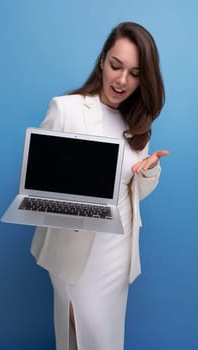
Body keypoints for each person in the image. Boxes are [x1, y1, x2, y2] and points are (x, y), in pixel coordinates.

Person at [31, 21, 169, 350]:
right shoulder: (65, 109)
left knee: (105, 339)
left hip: (116, 252)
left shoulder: (138, 123)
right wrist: (68, 212)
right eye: (116, 66)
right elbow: (39, 185)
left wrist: (147, 173)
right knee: (76, 332)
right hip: (74, 247)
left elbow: (132, 194)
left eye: (134, 73)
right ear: (102, 61)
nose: (122, 80)